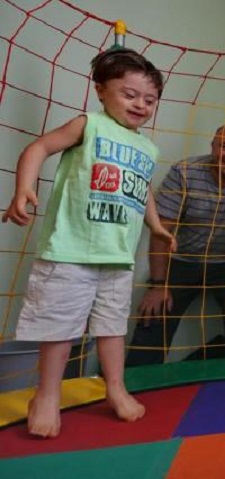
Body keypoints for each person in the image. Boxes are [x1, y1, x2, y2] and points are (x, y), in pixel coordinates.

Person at [2, 48, 175, 438]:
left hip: (118, 256)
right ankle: (47, 395)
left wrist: (156, 226)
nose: (141, 105)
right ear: (101, 90)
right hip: (71, 251)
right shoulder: (89, 125)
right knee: (60, 329)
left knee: (112, 327)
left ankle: (115, 387)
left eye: (150, 100)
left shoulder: (147, 148)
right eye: (129, 95)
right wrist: (24, 188)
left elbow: (142, 189)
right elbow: (38, 148)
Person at [125, 123, 225, 366]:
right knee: (155, 312)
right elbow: (162, 232)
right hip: (182, 260)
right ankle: (136, 379)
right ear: (213, 146)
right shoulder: (184, 172)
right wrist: (159, 285)